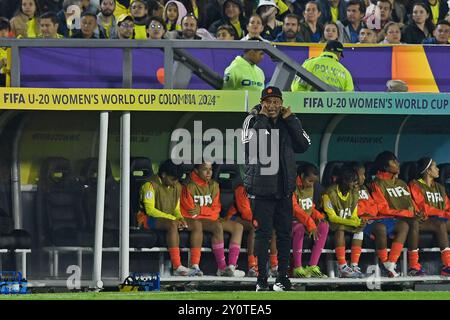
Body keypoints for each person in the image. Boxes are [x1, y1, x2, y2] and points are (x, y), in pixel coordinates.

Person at [242, 86, 311, 291]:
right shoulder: (252, 120)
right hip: (261, 190)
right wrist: (262, 119)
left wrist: (292, 120)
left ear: (281, 103)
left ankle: (282, 278)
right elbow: (251, 147)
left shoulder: (289, 120)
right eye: (268, 101)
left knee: (284, 235)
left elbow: (303, 145)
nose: (272, 106)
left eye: (276, 101)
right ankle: (261, 280)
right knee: (263, 235)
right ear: (262, 102)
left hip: (284, 189)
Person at [180, 161, 246, 277]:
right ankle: (221, 268)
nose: (209, 172)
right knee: (217, 226)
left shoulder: (214, 185)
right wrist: (205, 212)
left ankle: (231, 267)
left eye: (210, 169)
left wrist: (201, 210)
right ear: (196, 170)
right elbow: (191, 211)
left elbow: (216, 209)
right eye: (205, 169)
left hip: (211, 218)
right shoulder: (188, 186)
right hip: (194, 219)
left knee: (238, 227)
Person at [367, 151, 424, 277]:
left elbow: (411, 204)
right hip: (390, 219)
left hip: (408, 217)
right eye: (393, 161)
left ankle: (404, 265)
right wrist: (408, 214)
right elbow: (382, 209)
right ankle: (413, 265)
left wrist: (418, 212)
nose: (397, 163)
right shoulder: (377, 183)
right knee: (412, 223)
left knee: (435, 224)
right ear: (385, 167)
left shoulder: (402, 183)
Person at [136, 160, 194, 276]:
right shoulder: (149, 185)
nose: (175, 183)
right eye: (173, 179)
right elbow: (150, 210)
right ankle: (177, 266)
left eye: (177, 179)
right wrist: (173, 219)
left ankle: (194, 265)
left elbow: (176, 209)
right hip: (146, 220)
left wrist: (180, 218)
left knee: (194, 224)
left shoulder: (177, 186)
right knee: (172, 225)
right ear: (163, 175)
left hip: (168, 220)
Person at [225, 183, 278, 277]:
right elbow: (245, 212)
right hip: (235, 217)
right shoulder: (241, 189)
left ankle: (274, 266)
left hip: (256, 219)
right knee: (255, 227)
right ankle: (252, 266)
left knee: (274, 229)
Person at [322, 164, 366, 278]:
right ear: (345, 181)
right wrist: (352, 222)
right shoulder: (329, 193)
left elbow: (354, 214)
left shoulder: (354, 192)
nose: (356, 184)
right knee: (340, 229)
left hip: (346, 222)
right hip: (331, 225)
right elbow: (332, 217)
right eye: (353, 182)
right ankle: (342, 267)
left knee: (359, 230)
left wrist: (358, 221)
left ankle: (354, 265)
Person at [409, 157, 450, 276]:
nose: (438, 169)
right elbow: (422, 207)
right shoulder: (415, 184)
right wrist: (442, 213)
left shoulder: (440, 187)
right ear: (427, 170)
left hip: (440, 218)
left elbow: (447, 207)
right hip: (424, 220)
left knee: (441, 223)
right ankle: (447, 266)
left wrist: (445, 214)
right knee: (440, 225)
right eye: (435, 166)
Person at [291, 164, 329, 278]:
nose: (312, 184)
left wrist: (318, 216)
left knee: (324, 225)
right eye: (310, 181)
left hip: (306, 221)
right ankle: (297, 268)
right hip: (290, 221)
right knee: (300, 227)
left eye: (314, 182)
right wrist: (310, 224)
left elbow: (309, 207)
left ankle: (312, 266)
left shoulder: (310, 187)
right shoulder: (291, 186)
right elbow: (295, 209)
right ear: (302, 176)